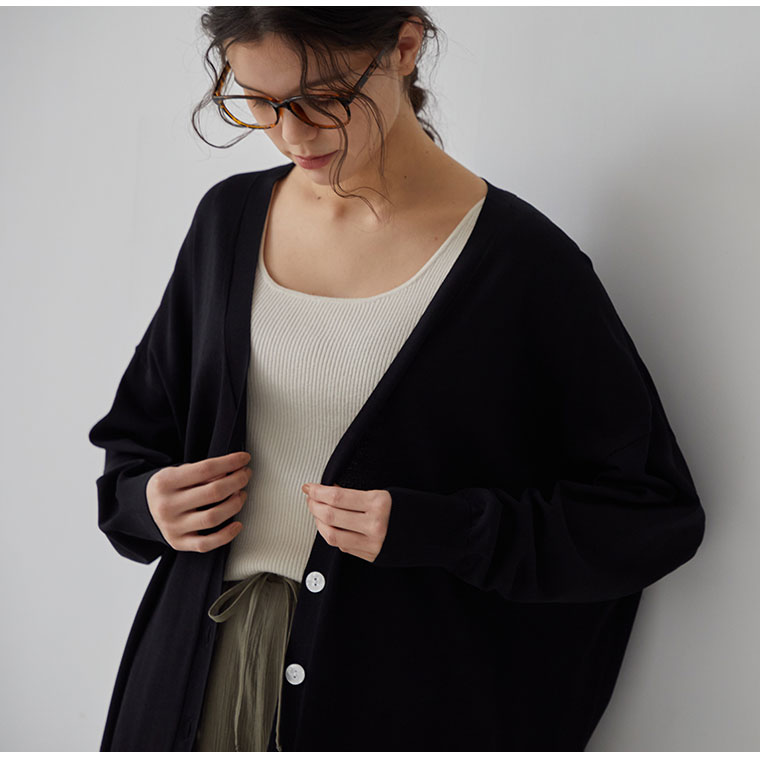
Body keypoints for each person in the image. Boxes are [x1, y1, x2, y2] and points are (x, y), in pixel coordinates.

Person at [88, 7, 706, 752]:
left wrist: (441, 530)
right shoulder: (227, 220)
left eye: (324, 98)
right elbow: (136, 441)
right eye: (258, 101)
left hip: (394, 697)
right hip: (191, 676)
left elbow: (648, 515)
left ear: (405, 46)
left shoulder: (525, 265)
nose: (292, 134)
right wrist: (148, 502)